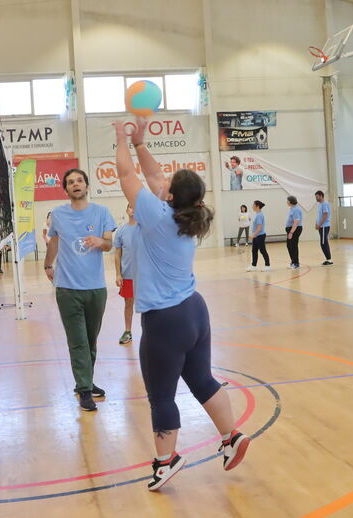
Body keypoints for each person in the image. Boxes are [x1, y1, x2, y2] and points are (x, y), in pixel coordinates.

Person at [113, 118, 250, 491]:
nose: (162, 182)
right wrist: (141, 143)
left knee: (161, 395)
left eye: (168, 185)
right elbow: (155, 177)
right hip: (194, 310)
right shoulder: (181, 215)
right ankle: (231, 437)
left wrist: (121, 140)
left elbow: (127, 176)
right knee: (202, 380)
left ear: (171, 196)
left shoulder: (156, 217)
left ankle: (166, 461)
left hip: (166, 321)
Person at [42, 169, 116, 411]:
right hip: (67, 288)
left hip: (95, 288)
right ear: (66, 189)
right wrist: (47, 264)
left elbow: (108, 244)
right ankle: (84, 390)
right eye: (71, 182)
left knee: (91, 340)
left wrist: (100, 242)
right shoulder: (59, 215)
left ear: (86, 185)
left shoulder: (102, 212)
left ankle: (87, 381)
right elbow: (54, 241)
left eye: (79, 180)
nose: (76, 184)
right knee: (78, 341)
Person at [114, 204, 138, 345]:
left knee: (149, 303)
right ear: (127, 210)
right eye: (130, 207)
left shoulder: (144, 229)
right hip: (128, 274)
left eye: (136, 207)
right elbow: (117, 254)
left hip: (145, 275)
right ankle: (128, 331)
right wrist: (118, 274)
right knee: (128, 303)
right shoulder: (121, 231)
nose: (133, 209)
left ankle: (150, 331)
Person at [246, 200, 270, 272]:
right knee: (254, 251)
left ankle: (267, 265)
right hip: (256, 236)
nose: (252, 206)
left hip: (260, 236)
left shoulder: (259, 215)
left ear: (257, 206)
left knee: (262, 250)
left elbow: (259, 227)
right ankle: (253, 266)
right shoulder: (257, 214)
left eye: (253, 205)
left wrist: (253, 234)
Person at [314, 190, 333, 266]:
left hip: (324, 226)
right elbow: (319, 216)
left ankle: (329, 260)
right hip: (321, 226)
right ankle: (328, 259)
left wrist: (320, 224)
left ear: (321, 196)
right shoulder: (320, 204)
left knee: (323, 243)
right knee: (323, 243)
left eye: (317, 197)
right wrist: (316, 223)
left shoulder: (325, 204)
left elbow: (325, 215)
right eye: (315, 197)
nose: (316, 198)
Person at [285, 196, 302, 269]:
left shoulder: (296, 209)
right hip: (291, 229)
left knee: (293, 246)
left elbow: (296, 221)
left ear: (290, 201)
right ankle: (293, 261)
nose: (286, 201)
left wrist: (291, 232)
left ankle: (296, 263)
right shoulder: (292, 209)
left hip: (295, 229)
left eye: (287, 200)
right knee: (289, 245)